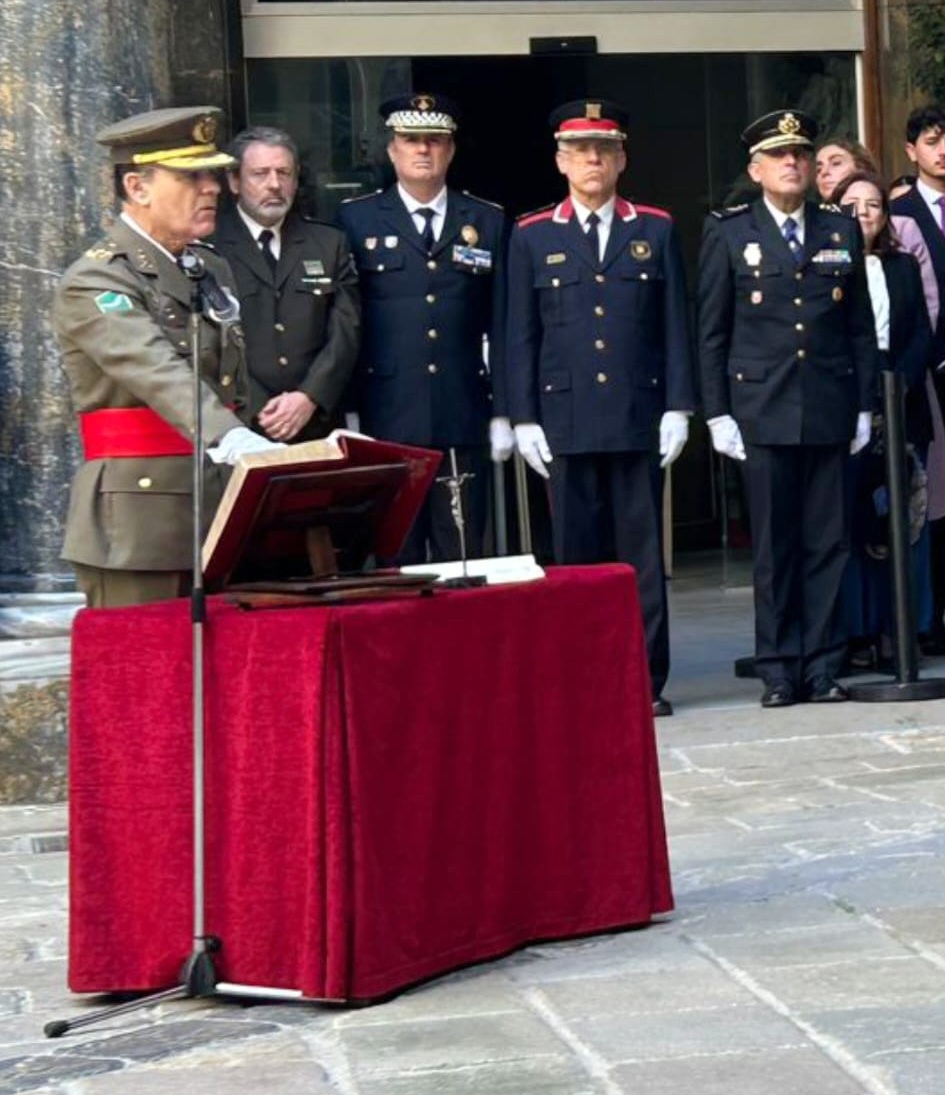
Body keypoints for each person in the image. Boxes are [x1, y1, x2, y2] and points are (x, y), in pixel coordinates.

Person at [505, 99, 696, 718]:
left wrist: (679, 405)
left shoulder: (656, 228)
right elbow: (520, 333)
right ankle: (585, 680)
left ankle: (645, 679)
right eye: (581, 150)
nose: (593, 160)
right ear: (560, 160)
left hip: (638, 413)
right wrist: (523, 415)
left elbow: (675, 325)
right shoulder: (533, 234)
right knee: (578, 559)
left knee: (640, 560)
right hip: (566, 419)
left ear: (622, 159)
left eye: (605, 149)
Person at [53, 106, 283, 608]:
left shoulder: (210, 268)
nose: (213, 188)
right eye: (191, 176)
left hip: (219, 506)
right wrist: (233, 438)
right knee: (144, 675)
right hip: (141, 520)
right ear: (137, 188)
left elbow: (232, 383)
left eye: (213, 173)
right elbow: (156, 369)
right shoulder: (98, 280)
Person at [698, 108, 879, 707]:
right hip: (762, 409)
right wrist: (718, 412)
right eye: (780, 156)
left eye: (800, 154)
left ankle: (824, 666)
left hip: (827, 405)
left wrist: (863, 406)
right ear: (757, 168)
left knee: (828, 544)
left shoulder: (837, 228)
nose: (793, 163)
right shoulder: (729, 231)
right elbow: (713, 333)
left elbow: (856, 327)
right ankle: (778, 666)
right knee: (774, 550)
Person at [336, 93, 513, 564]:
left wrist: (504, 409)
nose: (422, 150)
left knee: (463, 550)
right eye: (411, 140)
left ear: (450, 150)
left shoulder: (486, 220)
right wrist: (351, 411)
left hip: (463, 407)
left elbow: (502, 321)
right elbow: (349, 322)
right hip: (388, 412)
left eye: (434, 141)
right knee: (398, 554)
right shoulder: (356, 219)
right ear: (391, 150)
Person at [832, 171, 933, 663]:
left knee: (903, 525)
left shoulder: (902, 265)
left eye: (874, 205)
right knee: (852, 524)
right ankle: (857, 633)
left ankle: (902, 633)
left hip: (903, 401)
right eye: (854, 205)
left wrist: (902, 380)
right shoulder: (827, 266)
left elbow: (920, 330)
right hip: (850, 405)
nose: (866, 213)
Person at [213, 126, 360, 442]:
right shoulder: (209, 247)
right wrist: (260, 407)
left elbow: (345, 332)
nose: (274, 184)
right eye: (260, 174)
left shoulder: (328, 243)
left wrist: (309, 397)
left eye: (284, 173)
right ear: (235, 181)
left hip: (315, 424)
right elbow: (208, 341)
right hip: (239, 426)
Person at [891, 104, 945, 651]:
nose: (943, 149)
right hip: (930, 372)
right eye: (933, 140)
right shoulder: (897, 211)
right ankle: (932, 621)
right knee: (935, 498)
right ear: (912, 151)